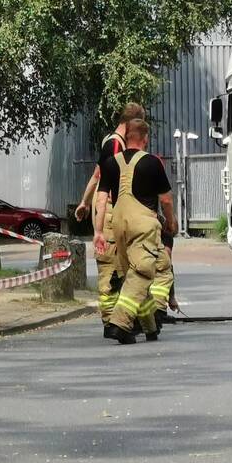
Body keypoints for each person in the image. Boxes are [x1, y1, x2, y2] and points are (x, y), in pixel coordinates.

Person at [94, 119, 177, 344]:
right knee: (141, 273)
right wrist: (171, 222)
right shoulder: (152, 162)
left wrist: (98, 231)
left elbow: (102, 199)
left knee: (130, 275)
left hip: (118, 224)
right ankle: (119, 323)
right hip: (143, 224)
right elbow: (166, 200)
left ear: (126, 136)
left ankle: (150, 327)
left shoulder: (111, 163)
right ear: (145, 138)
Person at [75, 102, 146, 329]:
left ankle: (124, 318)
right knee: (112, 268)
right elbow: (113, 181)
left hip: (107, 208)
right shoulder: (116, 146)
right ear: (130, 124)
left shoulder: (109, 141)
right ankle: (111, 321)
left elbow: (96, 176)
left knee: (121, 266)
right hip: (112, 211)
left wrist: (84, 202)